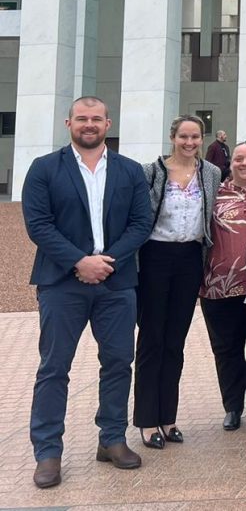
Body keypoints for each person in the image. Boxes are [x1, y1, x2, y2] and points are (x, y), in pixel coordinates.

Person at [23, 96, 153, 489]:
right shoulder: (45, 169)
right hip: (62, 284)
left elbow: (141, 221)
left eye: (97, 118)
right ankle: (48, 451)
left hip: (116, 283)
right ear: (69, 123)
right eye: (82, 118)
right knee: (53, 368)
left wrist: (106, 260)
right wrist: (80, 261)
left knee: (117, 363)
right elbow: (39, 225)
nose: (90, 124)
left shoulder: (130, 171)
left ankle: (111, 438)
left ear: (108, 123)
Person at [136, 115, 222, 450]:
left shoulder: (211, 173)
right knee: (151, 339)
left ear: (202, 139)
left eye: (195, 137)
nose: (189, 143)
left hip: (190, 259)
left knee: (175, 341)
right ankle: (145, 420)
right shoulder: (152, 171)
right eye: (183, 137)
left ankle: (168, 418)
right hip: (155, 258)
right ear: (172, 137)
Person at [201, 143, 246, 433]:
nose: (245, 163)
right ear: (231, 163)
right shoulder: (214, 194)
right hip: (217, 287)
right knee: (226, 350)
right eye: (240, 158)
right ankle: (232, 406)